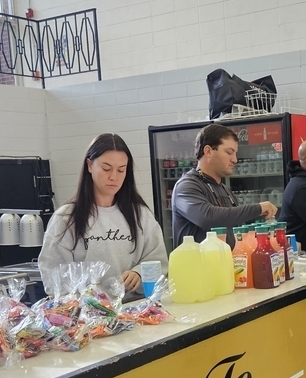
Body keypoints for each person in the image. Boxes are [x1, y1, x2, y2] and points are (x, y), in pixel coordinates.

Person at [39, 132, 167, 295]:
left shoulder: (140, 215)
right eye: (106, 168)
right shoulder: (66, 219)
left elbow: (158, 261)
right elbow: (52, 274)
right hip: (85, 314)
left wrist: (139, 273)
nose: (113, 176)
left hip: (134, 310)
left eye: (121, 170)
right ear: (90, 165)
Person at [171, 123, 277, 246]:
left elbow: (232, 222)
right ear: (208, 151)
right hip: (198, 264)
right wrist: (257, 208)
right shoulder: (187, 186)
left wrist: (259, 217)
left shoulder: (225, 190)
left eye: (235, 153)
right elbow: (208, 217)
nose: (235, 159)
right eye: (229, 152)